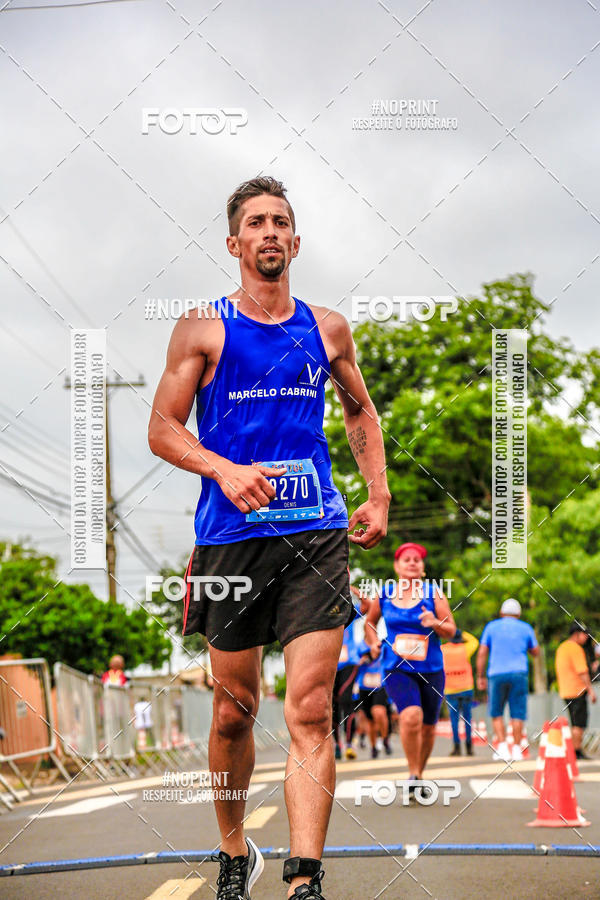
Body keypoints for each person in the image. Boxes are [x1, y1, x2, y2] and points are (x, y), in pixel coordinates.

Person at [148, 176, 390, 900]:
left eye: (281, 221)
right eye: (256, 223)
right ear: (235, 243)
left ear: (295, 239)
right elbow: (161, 428)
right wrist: (222, 468)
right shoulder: (202, 328)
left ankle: (305, 877)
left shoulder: (327, 327)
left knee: (312, 706)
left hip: (314, 531)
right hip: (230, 537)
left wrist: (377, 493)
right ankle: (233, 852)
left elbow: (360, 413)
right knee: (233, 710)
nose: (270, 232)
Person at [364, 542, 456, 792]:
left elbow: (451, 630)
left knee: (428, 727)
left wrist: (435, 622)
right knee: (410, 716)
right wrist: (374, 643)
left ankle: (419, 771)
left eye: (417, 559)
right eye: (407, 559)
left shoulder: (434, 593)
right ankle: (413, 773)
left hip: (431, 668)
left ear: (423, 567)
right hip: (397, 666)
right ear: (397, 566)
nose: (413, 562)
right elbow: (370, 623)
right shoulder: (384, 594)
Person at [476, 598, 539, 762]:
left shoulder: (491, 627)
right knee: (517, 712)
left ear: (502, 613)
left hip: (496, 674)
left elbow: (482, 652)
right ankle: (517, 749)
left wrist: (480, 676)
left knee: (496, 711)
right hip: (519, 673)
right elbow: (536, 651)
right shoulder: (526, 628)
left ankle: (503, 747)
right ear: (518, 614)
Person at [555, 622, 597, 760]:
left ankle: (574, 751)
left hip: (565, 690)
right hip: (577, 690)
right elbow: (582, 671)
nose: (586, 638)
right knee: (579, 723)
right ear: (577, 634)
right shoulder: (575, 649)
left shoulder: (562, 648)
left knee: (574, 722)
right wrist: (590, 690)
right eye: (585, 634)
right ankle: (576, 751)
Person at [441, 629, 479, 756]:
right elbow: (474, 641)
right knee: (468, 719)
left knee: (454, 720)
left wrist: (447, 632)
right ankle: (469, 747)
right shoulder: (465, 648)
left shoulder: (443, 649)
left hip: (451, 690)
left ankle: (456, 747)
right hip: (466, 688)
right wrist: (461, 632)